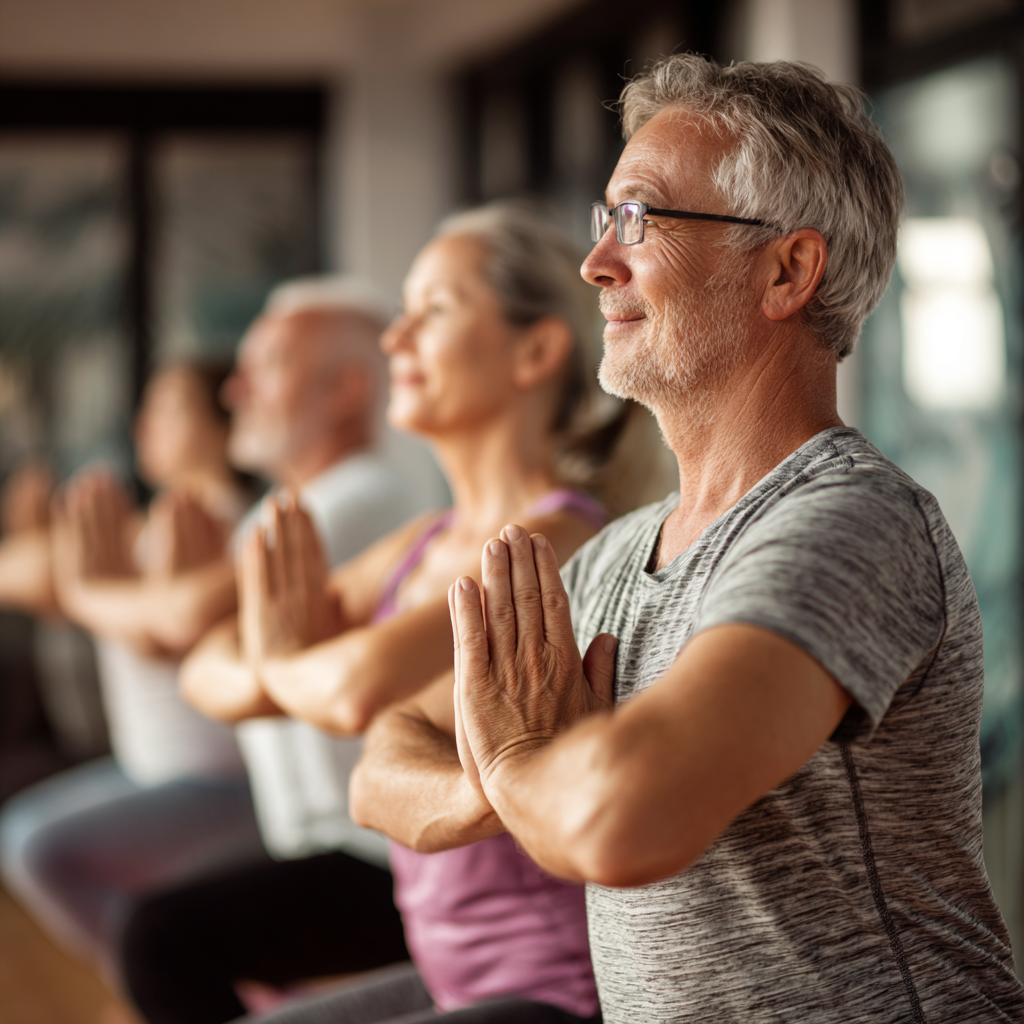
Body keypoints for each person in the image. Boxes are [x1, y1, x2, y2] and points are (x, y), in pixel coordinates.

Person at [356, 57, 1024, 1023]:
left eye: (641, 220)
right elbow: (385, 750)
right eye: (604, 221)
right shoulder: (619, 556)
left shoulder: (850, 522)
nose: (597, 264)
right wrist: (498, 784)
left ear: (788, 270)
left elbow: (625, 818)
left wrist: (512, 763)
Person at [121, 202, 665, 1024]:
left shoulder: (548, 540)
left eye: (434, 311)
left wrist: (287, 663)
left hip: (555, 997)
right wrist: (311, 666)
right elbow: (212, 670)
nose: (393, 339)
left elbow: (355, 688)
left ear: (537, 350)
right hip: (447, 976)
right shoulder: (423, 542)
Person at [0, 359, 262, 973]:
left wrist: (87, 586)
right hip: (155, 771)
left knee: (36, 846)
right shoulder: (154, 526)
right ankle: (168, 984)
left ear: (225, 427)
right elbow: (43, 578)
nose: (145, 425)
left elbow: (154, 625)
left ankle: (178, 988)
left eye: (171, 408)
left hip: (224, 783)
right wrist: (79, 579)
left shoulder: (226, 526)